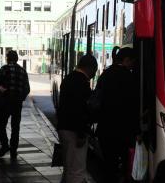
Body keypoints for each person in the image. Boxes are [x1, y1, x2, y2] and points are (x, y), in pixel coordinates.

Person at [95, 47, 139, 183]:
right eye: (132, 62)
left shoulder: (105, 75)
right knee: (124, 166)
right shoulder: (130, 77)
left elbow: (97, 98)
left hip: (105, 130)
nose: (133, 65)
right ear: (126, 60)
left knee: (109, 165)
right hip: (123, 132)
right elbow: (134, 105)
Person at [57, 54, 98, 183]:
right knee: (76, 169)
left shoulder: (69, 78)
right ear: (90, 68)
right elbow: (79, 110)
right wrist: (81, 133)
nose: (94, 75)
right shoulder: (81, 82)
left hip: (64, 127)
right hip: (74, 131)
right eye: (94, 71)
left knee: (69, 167)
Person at [0, 50, 30, 159]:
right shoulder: (22, 71)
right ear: (17, 59)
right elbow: (27, 89)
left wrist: (3, 93)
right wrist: (20, 98)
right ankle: (13, 150)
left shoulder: (4, 69)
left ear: (7, 58)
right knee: (15, 127)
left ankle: (5, 145)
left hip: (5, 102)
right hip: (17, 103)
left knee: (1, 125)